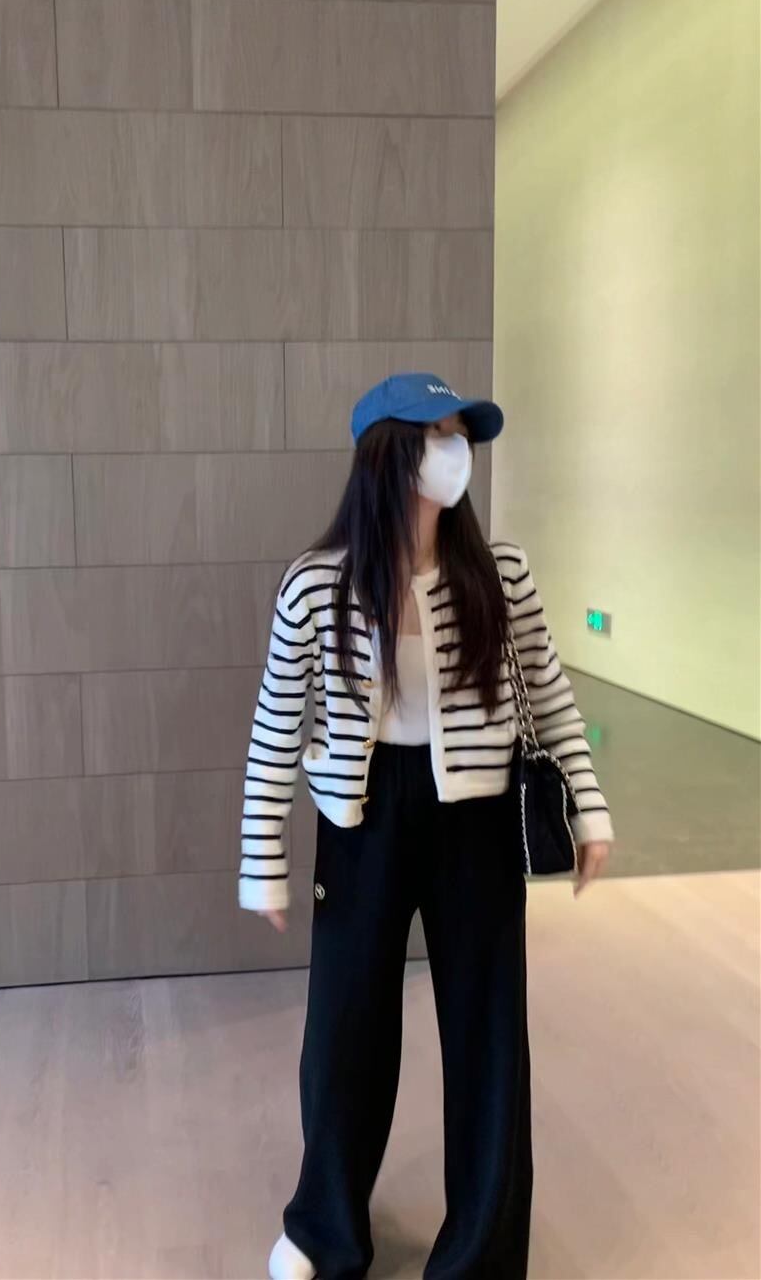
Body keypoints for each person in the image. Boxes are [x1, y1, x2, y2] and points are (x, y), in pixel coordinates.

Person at [239, 373, 614, 1280]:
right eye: (436, 434)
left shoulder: (501, 574)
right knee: (344, 1036)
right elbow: (276, 726)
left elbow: (551, 698)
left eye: (460, 435)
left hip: (475, 822)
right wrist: (262, 863)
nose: (456, 452)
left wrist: (590, 809)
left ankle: (480, 1254)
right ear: (388, 455)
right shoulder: (315, 584)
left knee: (488, 1037)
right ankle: (324, 1230)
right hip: (360, 824)